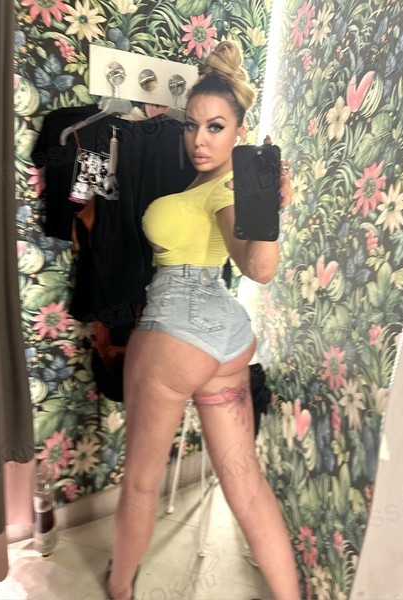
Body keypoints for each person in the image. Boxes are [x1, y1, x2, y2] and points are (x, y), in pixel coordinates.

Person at [106, 40, 300, 600]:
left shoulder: (231, 186)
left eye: (216, 127)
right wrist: (263, 206)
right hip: (226, 337)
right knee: (245, 482)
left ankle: (118, 587)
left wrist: (267, 207)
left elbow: (257, 267)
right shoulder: (210, 184)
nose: (199, 140)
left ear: (239, 130)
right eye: (192, 125)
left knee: (141, 483)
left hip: (177, 328)